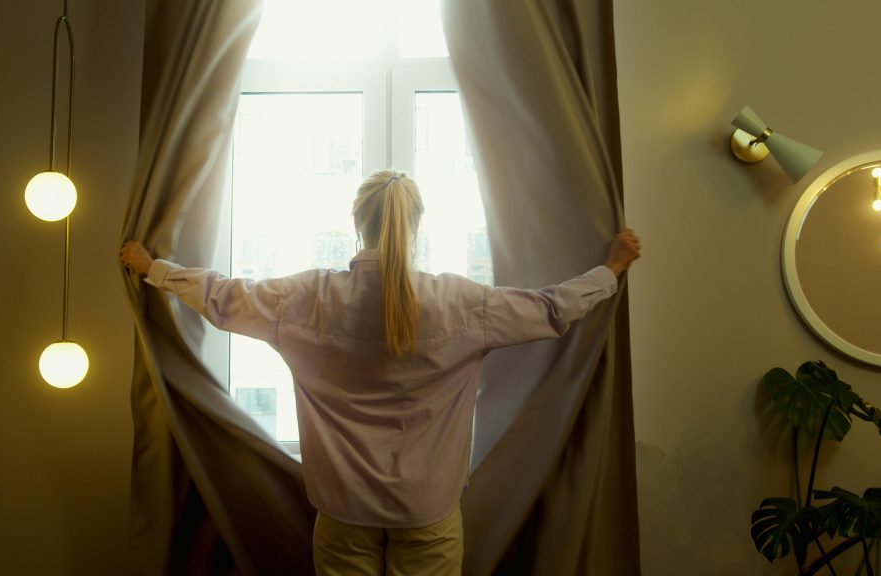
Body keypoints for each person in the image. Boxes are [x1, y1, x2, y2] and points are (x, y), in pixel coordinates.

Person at [120, 169, 640, 576]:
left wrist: (152, 269)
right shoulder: (457, 302)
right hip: (428, 514)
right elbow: (551, 309)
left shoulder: (306, 298)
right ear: (415, 225)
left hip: (343, 512)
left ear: (356, 224)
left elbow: (222, 296)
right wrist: (610, 270)